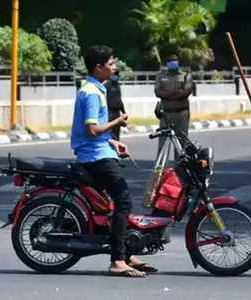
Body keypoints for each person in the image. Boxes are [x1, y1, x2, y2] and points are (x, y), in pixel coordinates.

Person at [71, 45, 156, 277]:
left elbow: (97, 134)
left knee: (114, 204)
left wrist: (113, 142)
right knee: (124, 201)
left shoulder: (97, 88)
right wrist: (116, 122)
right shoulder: (91, 93)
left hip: (100, 151)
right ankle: (118, 260)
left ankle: (126, 253)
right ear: (98, 67)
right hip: (95, 158)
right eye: (111, 63)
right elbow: (91, 130)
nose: (115, 67)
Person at [154, 54, 193, 158]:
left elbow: (186, 91)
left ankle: (179, 171)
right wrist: (176, 93)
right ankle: (162, 171)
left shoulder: (185, 75)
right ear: (167, 64)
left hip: (181, 114)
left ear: (178, 62)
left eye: (174, 61)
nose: (173, 63)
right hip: (166, 114)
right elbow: (158, 92)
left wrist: (168, 95)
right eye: (170, 61)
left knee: (181, 144)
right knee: (163, 144)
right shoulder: (161, 76)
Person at [104, 71, 126, 141]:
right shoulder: (106, 85)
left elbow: (119, 100)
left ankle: (116, 148)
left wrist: (124, 112)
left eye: (117, 75)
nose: (115, 77)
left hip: (117, 112)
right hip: (109, 112)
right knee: (110, 133)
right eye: (114, 75)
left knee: (116, 134)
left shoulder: (118, 85)